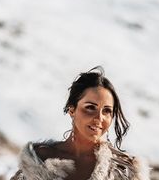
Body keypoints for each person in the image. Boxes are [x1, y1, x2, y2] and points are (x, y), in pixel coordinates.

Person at [9, 66, 150, 180]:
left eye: (107, 111)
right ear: (72, 109)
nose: (99, 118)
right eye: (90, 108)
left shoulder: (125, 172)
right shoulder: (38, 161)